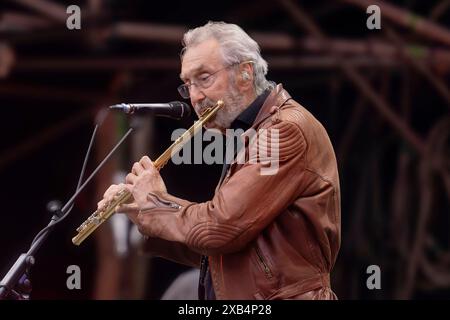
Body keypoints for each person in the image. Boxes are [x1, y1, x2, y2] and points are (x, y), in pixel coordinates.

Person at [98, 21, 341, 300]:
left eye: (204, 78)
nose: (195, 96)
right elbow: (221, 253)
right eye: (187, 84)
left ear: (245, 73)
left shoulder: (284, 130)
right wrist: (141, 212)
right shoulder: (250, 135)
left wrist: (158, 204)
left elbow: (219, 229)